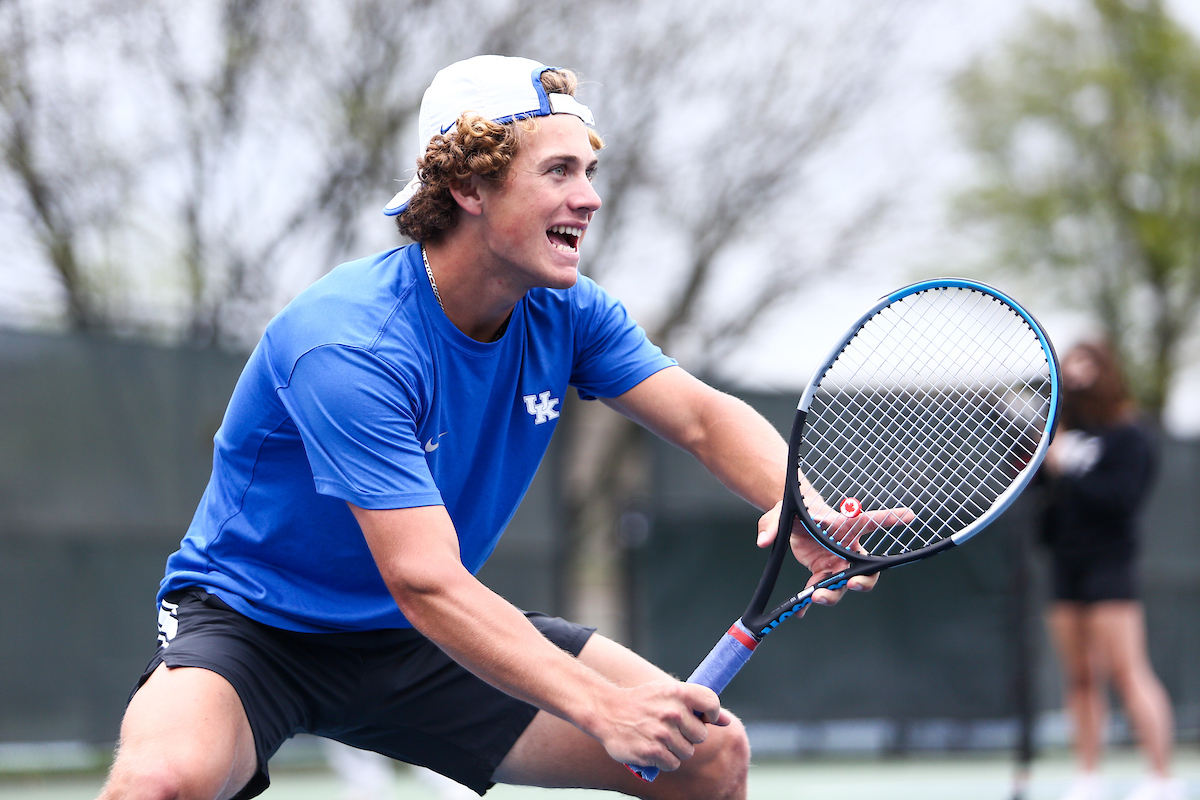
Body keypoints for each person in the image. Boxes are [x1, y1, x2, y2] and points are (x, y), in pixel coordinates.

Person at [95, 55, 903, 800]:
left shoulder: (567, 311)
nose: (588, 196)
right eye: (558, 171)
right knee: (158, 785)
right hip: (258, 627)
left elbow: (701, 416)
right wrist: (598, 707)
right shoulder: (349, 344)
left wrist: (802, 506)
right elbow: (424, 580)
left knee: (709, 759)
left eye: (588, 171)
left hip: (425, 640)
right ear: (470, 188)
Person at [1038, 342, 1181, 800]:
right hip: (1065, 563)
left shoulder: (1130, 435)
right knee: (1079, 675)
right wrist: (1044, 458)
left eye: (1087, 364)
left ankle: (1161, 778)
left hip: (1110, 564)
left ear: (1106, 370)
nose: (1078, 374)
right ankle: (1088, 776)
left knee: (1127, 670)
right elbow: (1037, 495)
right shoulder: (1059, 432)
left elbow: (1119, 500)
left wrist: (1068, 470)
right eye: (1071, 365)